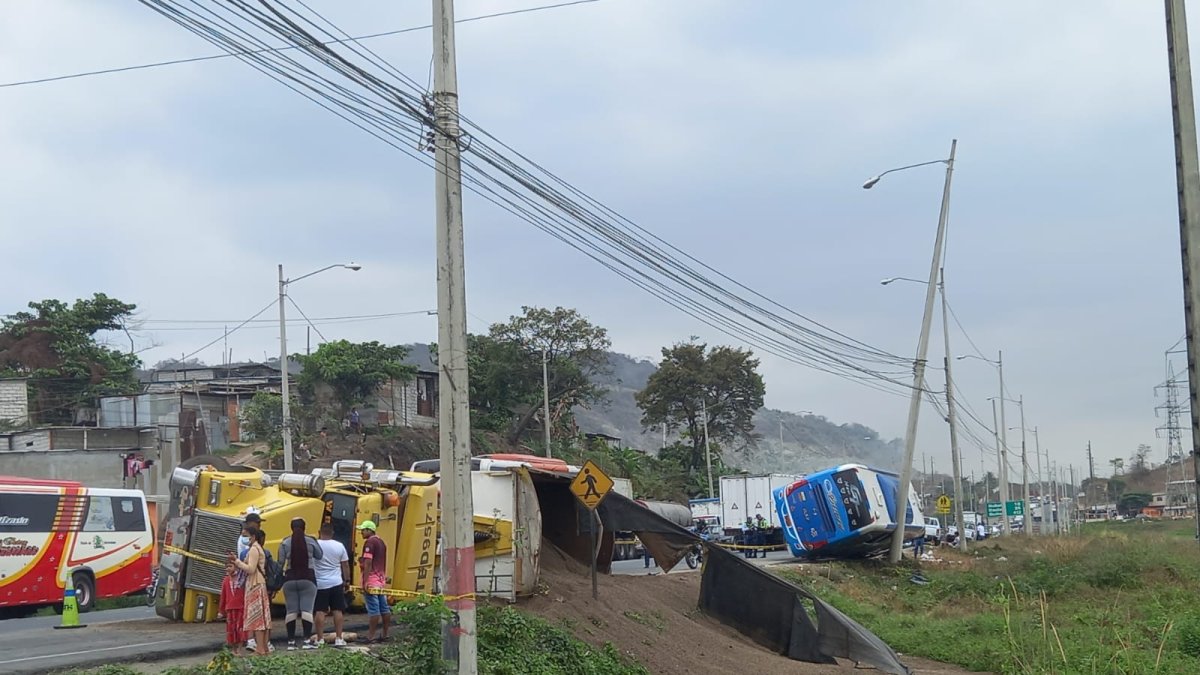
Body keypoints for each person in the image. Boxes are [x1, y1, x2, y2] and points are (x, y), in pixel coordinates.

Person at [278, 518, 323, 650]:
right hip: (308, 579)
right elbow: (319, 555)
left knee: (291, 611)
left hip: (290, 579)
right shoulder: (311, 540)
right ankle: (306, 641)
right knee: (306, 610)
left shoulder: (285, 542)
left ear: (291, 528)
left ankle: (291, 642)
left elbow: (280, 562)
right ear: (304, 528)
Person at [231, 527, 271, 656]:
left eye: (245, 535)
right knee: (263, 620)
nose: (243, 538)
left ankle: (260, 648)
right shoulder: (258, 548)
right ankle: (264, 648)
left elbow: (250, 569)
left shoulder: (254, 549)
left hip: (255, 585)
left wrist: (237, 562)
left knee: (257, 619)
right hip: (259, 584)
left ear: (253, 536)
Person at [313, 525, 350, 648]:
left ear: (319, 532)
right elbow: (345, 565)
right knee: (337, 610)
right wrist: (347, 580)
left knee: (320, 611)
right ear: (332, 533)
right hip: (336, 582)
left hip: (320, 583)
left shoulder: (315, 545)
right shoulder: (339, 545)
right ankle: (339, 638)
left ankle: (320, 639)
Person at [358, 520, 391, 643]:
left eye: (363, 530)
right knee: (384, 608)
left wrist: (365, 581)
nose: (361, 532)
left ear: (369, 530)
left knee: (374, 609)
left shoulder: (370, 542)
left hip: (371, 581)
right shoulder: (381, 542)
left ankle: (370, 636)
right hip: (380, 580)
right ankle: (385, 634)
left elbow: (368, 563)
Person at [218, 560, 246, 657]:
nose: (228, 568)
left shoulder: (241, 579)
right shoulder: (225, 580)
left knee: (240, 629)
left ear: (236, 567)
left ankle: (239, 649)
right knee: (231, 629)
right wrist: (221, 610)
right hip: (230, 608)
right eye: (227, 567)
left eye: (230, 566)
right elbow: (223, 596)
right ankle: (234, 650)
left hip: (241, 607)